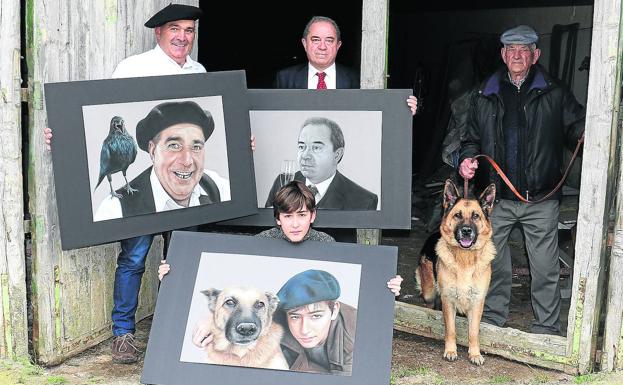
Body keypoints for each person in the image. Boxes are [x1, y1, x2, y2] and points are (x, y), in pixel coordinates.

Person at [44, 3, 215, 364]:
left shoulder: (200, 71)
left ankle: (174, 331)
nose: (183, 37)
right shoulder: (134, 68)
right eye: (175, 29)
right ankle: (123, 333)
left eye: (189, 30)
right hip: (147, 187)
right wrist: (60, 132)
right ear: (159, 33)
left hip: (184, 187)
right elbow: (97, 111)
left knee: (183, 257)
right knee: (134, 258)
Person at [458, 25, 585, 335]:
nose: (516, 55)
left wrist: (587, 130)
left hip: (541, 197)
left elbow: (576, 128)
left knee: (545, 269)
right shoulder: (483, 92)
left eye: (523, 50)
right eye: (511, 50)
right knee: (493, 264)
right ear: (503, 55)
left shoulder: (555, 92)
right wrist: (466, 159)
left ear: (535, 55)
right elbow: (470, 137)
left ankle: (546, 328)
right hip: (495, 199)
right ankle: (492, 321)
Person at [94, 100, 230, 220]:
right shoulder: (114, 210)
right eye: (174, 146)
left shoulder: (218, 187)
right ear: (152, 151)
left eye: (196, 146)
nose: (187, 161)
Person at [273, 15, 418, 113]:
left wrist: (403, 109)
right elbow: (272, 119)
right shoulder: (285, 78)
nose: (322, 46)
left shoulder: (357, 79)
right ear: (305, 44)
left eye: (329, 40)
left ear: (338, 45)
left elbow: (376, 112)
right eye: (316, 40)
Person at [264, 117, 378, 210]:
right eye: (301, 146)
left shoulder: (363, 201)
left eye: (316, 148)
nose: (305, 156)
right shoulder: (282, 183)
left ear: (337, 154)